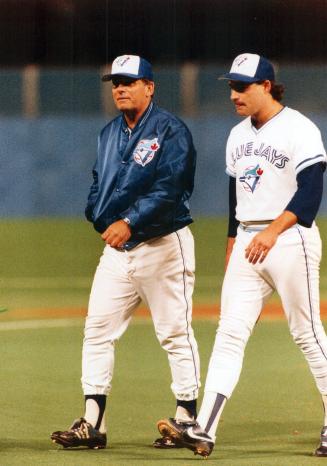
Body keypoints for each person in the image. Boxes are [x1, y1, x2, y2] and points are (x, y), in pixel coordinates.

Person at [157, 52, 327, 458]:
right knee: (229, 334)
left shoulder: (299, 128)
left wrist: (271, 231)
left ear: (266, 86)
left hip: (290, 239)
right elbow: (238, 194)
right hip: (250, 242)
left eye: (242, 86)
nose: (234, 93)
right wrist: (234, 239)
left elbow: (311, 193)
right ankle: (205, 429)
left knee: (307, 334)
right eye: (231, 86)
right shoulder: (237, 135)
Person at [50, 54, 200, 450]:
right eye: (115, 82)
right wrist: (97, 215)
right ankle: (93, 424)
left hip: (164, 244)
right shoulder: (109, 133)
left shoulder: (170, 130)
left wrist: (130, 221)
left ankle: (186, 419)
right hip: (119, 251)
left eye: (129, 81)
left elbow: (172, 189)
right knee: (97, 331)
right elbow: (100, 181)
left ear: (149, 87)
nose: (119, 88)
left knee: (174, 333)